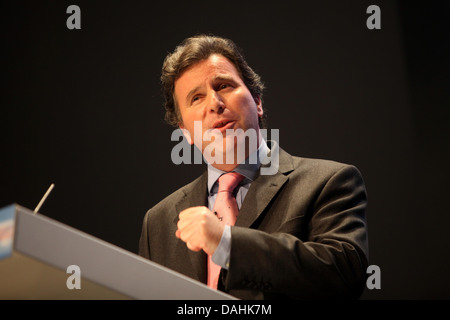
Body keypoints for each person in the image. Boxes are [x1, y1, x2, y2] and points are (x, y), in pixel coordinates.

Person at [138, 34, 369, 299]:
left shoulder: (329, 181)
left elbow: (342, 275)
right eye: (196, 98)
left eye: (223, 85)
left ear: (257, 101)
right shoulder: (158, 222)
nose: (215, 104)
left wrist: (227, 244)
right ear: (186, 133)